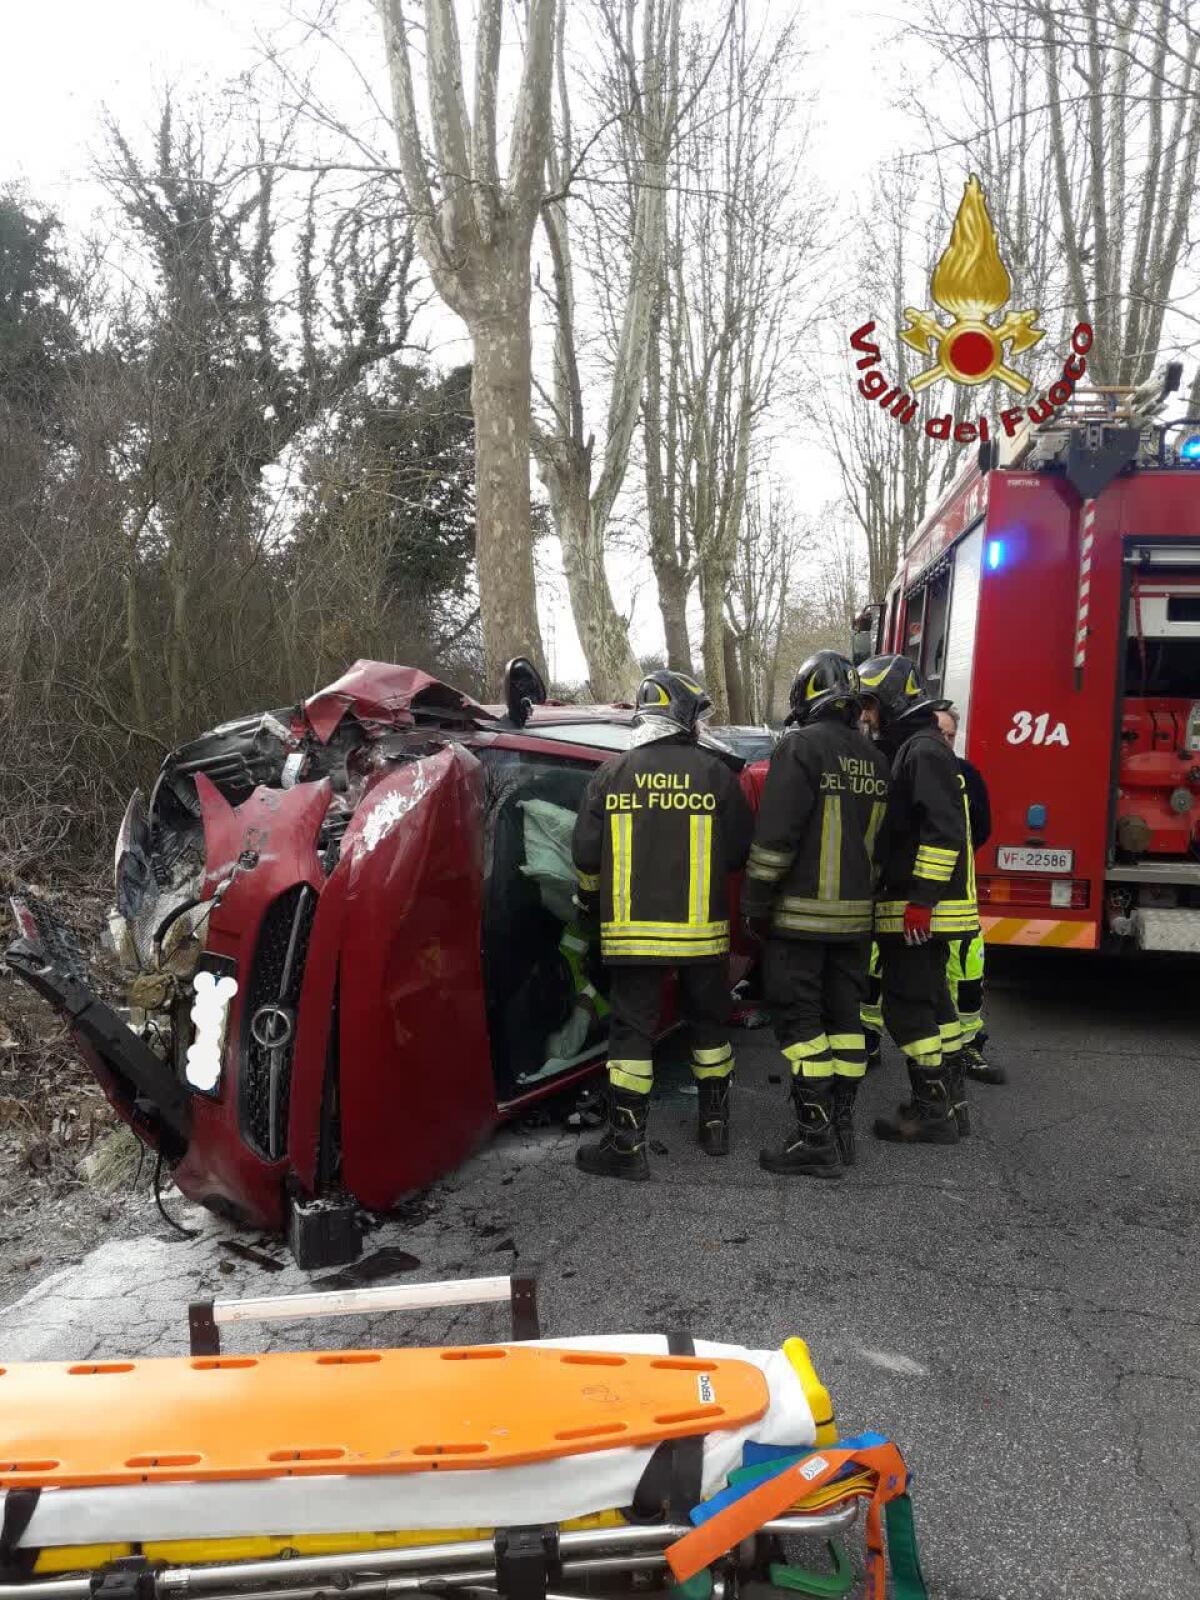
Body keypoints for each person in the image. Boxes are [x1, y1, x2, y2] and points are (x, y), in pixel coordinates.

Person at [571, 670, 755, 1180]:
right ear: (682, 716)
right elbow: (741, 851)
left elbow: (586, 858)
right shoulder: (717, 774)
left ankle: (627, 1146)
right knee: (709, 1024)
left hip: (632, 935)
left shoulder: (610, 774)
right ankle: (714, 1126)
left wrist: (589, 906)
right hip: (702, 935)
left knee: (632, 1032)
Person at [742, 652, 890, 1177]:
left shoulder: (799, 747)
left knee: (801, 1022)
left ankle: (814, 1139)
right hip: (855, 924)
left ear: (807, 696)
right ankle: (842, 1129)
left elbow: (774, 841)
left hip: (800, 920)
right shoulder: (875, 759)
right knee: (845, 1022)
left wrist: (756, 906)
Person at [858, 654, 977, 1143]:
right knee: (936, 1004)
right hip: (930, 909)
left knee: (907, 1007)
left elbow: (943, 831)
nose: (866, 715)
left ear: (889, 699)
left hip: (920, 909)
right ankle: (951, 1103)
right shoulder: (921, 746)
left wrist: (921, 901)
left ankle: (931, 1111)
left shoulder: (921, 750)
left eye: (869, 704)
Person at [935, 708, 1006, 1086]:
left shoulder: (968, 776)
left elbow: (981, 830)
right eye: (938, 732)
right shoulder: (911, 766)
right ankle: (869, 1041)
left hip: (959, 900)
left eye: (950, 735)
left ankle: (967, 1047)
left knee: (966, 972)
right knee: (877, 968)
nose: (944, 741)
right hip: (910, 896)